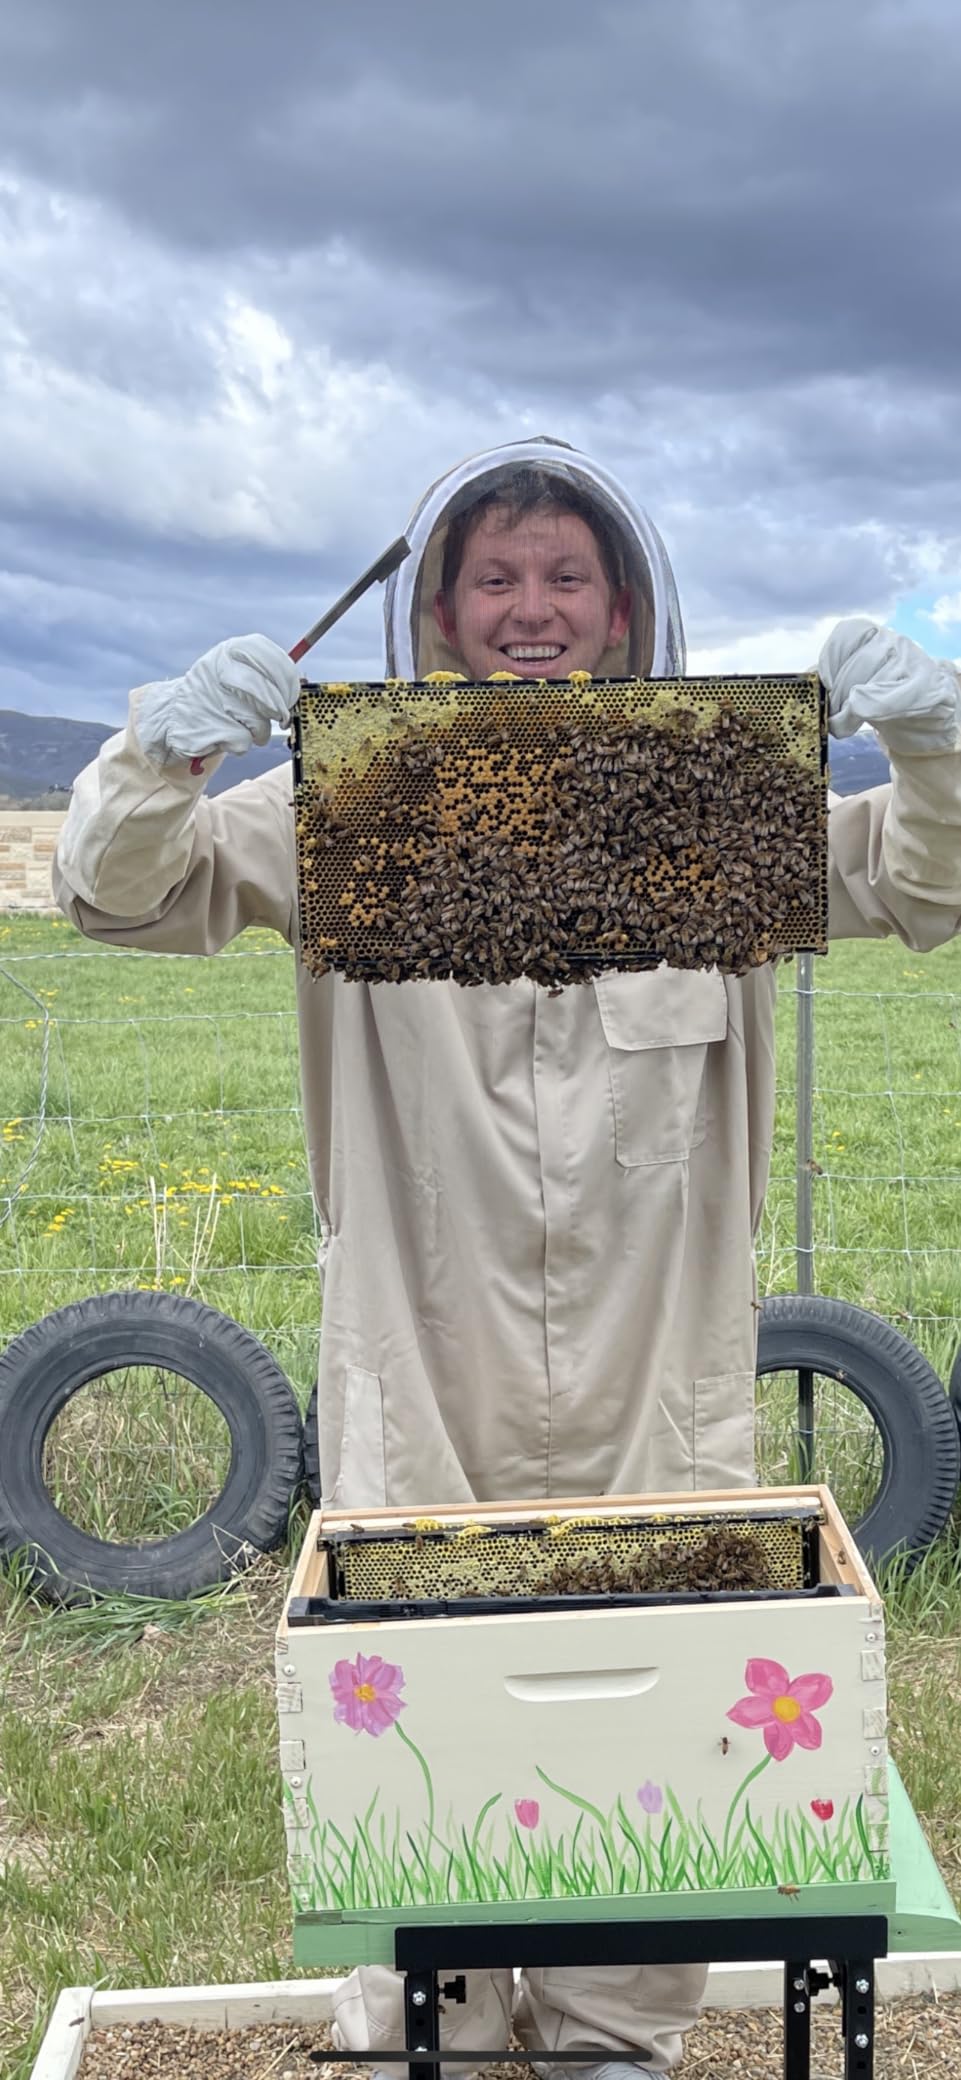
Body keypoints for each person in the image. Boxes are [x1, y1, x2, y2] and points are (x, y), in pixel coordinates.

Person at [53, 437, 961, 2078]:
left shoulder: (716, 800)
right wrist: (151, 761)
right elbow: (127, 899)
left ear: (619, 608)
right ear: (441, 610)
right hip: (420, 1350)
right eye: (494, 580)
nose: (529, 610)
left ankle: (617, 2038)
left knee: (659, 1705)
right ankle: (430, 2042)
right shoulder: (354, 799)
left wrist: (933, 736)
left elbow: (924, 875)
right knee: (418, 1702)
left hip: (662, 1363)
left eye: (562, 578)